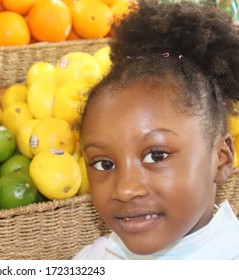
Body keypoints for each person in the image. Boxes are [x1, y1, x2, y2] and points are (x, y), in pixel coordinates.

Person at [74, 0, 239, 260]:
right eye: (104, 164)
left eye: (157, 156)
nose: (125, 190)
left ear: (220, 158)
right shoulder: (92, 260)